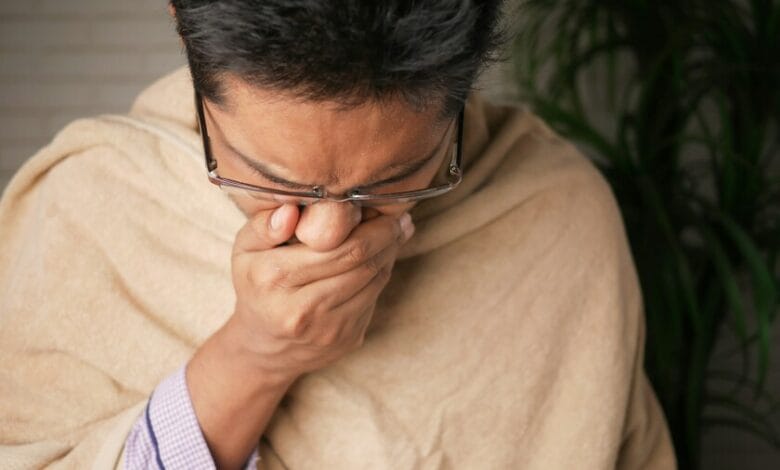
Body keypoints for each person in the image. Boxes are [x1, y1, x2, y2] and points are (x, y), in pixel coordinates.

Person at [0, 1, 676, 469]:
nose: (329, 237)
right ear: (182, 27)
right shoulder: (84, 210)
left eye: (398, 179)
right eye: (269, 178)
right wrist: (252, 358)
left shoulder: (559, 215)